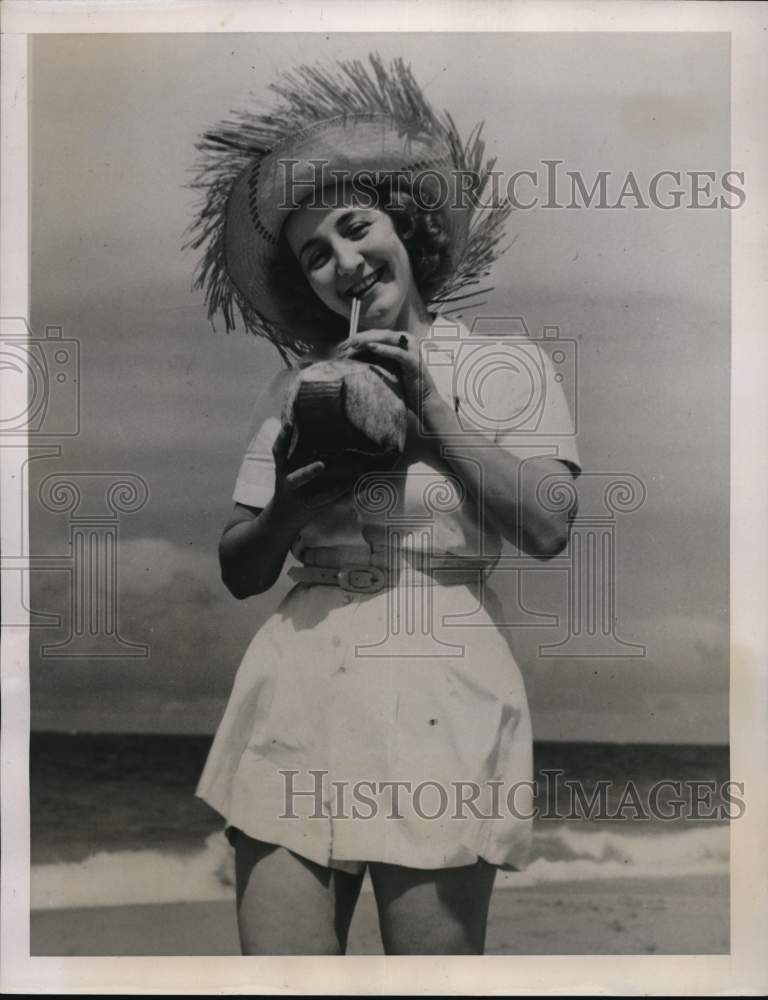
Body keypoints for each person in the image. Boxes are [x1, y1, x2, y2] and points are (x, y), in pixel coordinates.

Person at [187, 53, 581, 955]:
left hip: (440, 666)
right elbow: (240, 566)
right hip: (301, 671)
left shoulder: (505, 367)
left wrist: (433, 417)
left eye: (355, 229)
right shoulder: (300, 388)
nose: (343, 263)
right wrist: (296, 503)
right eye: (315, 256)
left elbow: (551, 527)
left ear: (403, 227)